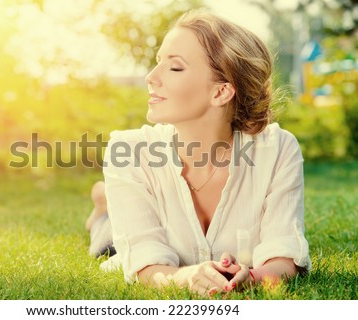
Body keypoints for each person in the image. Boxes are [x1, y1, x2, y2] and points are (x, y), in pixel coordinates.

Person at [85, 8, 311, 296]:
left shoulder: (278, 149)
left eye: (175, 67)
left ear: (221, 92)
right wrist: (188, 277)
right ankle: (102, 209)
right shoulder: (128, 150)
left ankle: (105, 203)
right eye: (158, 63)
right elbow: (144, 263)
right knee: (106, 244)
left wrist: (252, 276)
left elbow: (284, 255)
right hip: (126, 231)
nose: (151, 77)